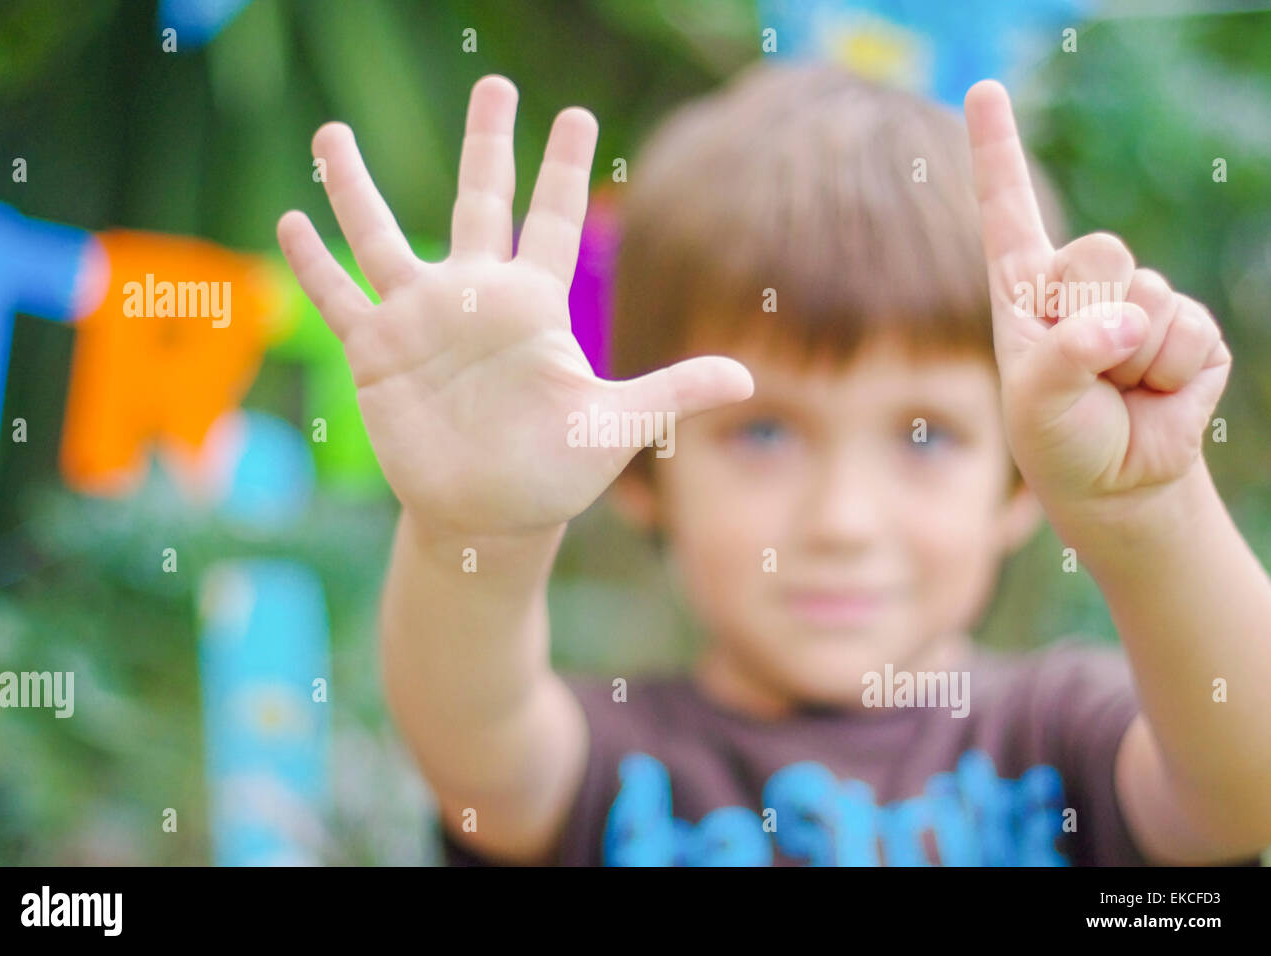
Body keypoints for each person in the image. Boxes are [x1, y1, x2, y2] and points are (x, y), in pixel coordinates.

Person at [276, 63, 1271, 866]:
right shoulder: (601, 766)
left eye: (925, 434)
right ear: (642, 470)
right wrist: (477, 528)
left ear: (1018, 481)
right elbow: (467, 731)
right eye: (762, 432)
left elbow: (1247, 781)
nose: (840, 519)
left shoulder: (1064, 740)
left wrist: (1147, 508)